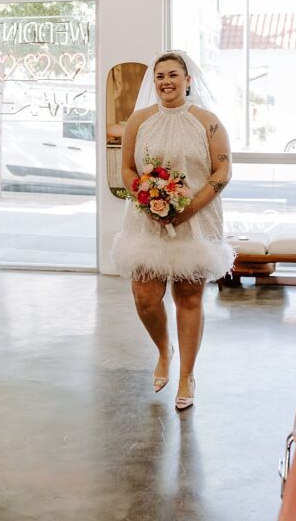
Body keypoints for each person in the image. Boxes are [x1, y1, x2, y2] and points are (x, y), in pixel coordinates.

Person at [110, 50, 234, 410]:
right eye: (160, 76)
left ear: (188, 80)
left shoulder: (208, 122)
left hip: (196, 220)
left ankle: (187, 375)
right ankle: (165, 350)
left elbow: (221, 173)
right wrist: (149, 201)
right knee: (145, 298)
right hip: (146, 219)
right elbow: (128, 169)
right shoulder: (139, 120)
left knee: (189, 297)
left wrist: (184, 210)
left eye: (173, 75)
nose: (166, 82)